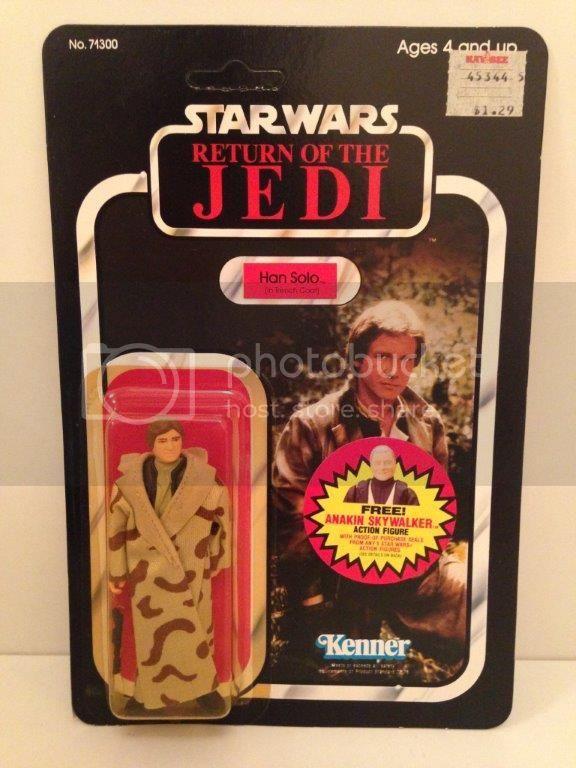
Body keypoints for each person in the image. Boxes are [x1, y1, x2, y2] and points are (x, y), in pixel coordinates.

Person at [272, 300, 467, 666]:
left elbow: (435, 510)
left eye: (406, 359)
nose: (394, 371)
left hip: (412, 574)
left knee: (481, 595)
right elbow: (292, 523)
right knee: (339, 664)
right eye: (382, 357)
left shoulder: (427, 423)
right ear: (358, 359)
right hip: (338, 581)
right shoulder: (311, 424)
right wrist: (311, 601)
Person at [107, 419, 230, 714]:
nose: (171, 445)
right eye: (163, 440)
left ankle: (205, 690)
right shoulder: (129, 484)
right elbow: (115, 529)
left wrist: (217, 557)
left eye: (175, 439)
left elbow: (222, 520)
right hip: (145, 570)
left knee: (199, 629)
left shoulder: (206, 480)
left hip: (191, 566)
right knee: (151, 640)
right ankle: (146, 695)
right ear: (152, 445)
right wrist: (117, 571)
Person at [343, 444, 419, 506]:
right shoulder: (355, 492)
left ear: (395, 465)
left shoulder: (407, 494)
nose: (382, 467)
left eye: (387, 463)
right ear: (371, 465)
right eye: (377, 463)